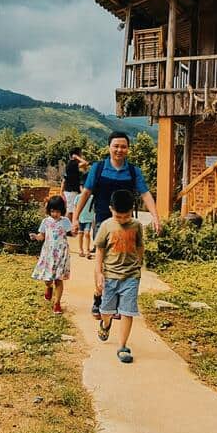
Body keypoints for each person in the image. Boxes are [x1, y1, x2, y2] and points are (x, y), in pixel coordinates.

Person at [71, 131, 159, 318]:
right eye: (116, 146)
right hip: (103, 221)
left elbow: (145, 194)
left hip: (126, 224)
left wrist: (156, 217)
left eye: (123, 146)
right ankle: (98, 296)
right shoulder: (99, 167)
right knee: (102, 261)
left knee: (121, 262)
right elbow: (86, 193)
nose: (119, 149)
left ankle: (116, 301)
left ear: (128, 149)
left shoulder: (134, 171)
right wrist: (75, 218)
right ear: (109, 147)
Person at [93, 189, 144, 363]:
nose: (122, 220)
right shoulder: (106, 226)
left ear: (132, 210)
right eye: (118, 216)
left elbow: (139, 246)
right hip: (110, 276)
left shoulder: (137, 226)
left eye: (126, 216)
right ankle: (106, 324)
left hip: (131, 276)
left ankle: (123, 346)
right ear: (110, 209)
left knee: (127, 312)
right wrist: (98, 273)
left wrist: (139, 262)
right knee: (106, 310)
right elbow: (100, 250)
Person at [31, 195, 72, 315]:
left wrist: (76, 230)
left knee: (58, 279)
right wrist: (36, 236)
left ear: (62, 211)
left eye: (58, 211)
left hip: (61, 254)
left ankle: (57, 303)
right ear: (49, 211)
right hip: (48, 255)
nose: (55, 214)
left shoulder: (65, 222)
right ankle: (48, 287)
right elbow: (41, 236)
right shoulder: (46, 222)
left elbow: (71, 233)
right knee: (48, 279)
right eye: (53, 211)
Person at [61, 148, 86, 221]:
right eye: (81, 154)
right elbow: (85, 163)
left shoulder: (70, 164)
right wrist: (77, 157)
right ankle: (67, 228)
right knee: (71, 211)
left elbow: (64, 179)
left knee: (71, 210)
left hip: (70, 191)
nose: (82, 156)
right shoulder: (73, 163)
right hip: (71, 191)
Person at [76, 193, 95, 258]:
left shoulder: (92, 197)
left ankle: (87, 251)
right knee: (80, 234)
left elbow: (94, 208)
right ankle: (80, 250)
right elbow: (75, 207)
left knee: (87, 233)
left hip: (89, 218)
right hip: (80, 218)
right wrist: (76, 218)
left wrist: (93, 219)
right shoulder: (78, 197)